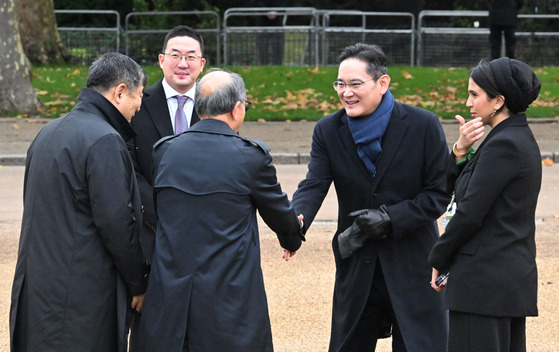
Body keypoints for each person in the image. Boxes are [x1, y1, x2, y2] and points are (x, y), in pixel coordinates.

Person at [292, 43, 450, 351]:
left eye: (355, 84)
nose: (345, 92)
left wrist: (391, 218)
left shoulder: (423, 125)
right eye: (340, 84)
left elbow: (437, 195)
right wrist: (296, 218)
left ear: (382, 83)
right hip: (358, 265)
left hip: (414, 265)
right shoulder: (328, 129)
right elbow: (314, 182)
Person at [137, 68, 304, 352]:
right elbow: (278, 213)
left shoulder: (164, 150)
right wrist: (292, 238)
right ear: (237, 108)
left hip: (171, 290)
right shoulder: (250, 156)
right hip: (228, 293)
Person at [9, 52, 148, 352]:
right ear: (120, 91)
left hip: (38, 291)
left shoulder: (46, 133)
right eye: (138, 95)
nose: (140, 105)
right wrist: (139, 282)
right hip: (80, 299)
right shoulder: (105, 140)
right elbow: (116, 222)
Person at [429, 57, 541, 352]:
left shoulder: (504, 145)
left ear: (498, 101)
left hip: (485, 284)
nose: (468, 103)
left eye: (474, 94)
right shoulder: (512, 138)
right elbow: (457, 190)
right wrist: (461, 149)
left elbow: (469, 213)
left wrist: (439, 258)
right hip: (502, 281)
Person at [127, 25, 206, 349]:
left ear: (202, 63)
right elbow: (130, 169)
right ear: (161, 60)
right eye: (175, 55)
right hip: (151, 236)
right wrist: (161, 212)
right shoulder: (137, 104)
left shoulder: (219, 104)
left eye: (191, 56)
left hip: (205, 239)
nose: (182, 63)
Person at [252, 0, 286, 65]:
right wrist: (265, 11)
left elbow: (284, 3)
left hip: (277, 22)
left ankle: (278, 66)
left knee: (278, 48)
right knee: (262, 48)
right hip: (262, 23)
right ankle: (263, 66)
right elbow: (255, 2)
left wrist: (277, 11)